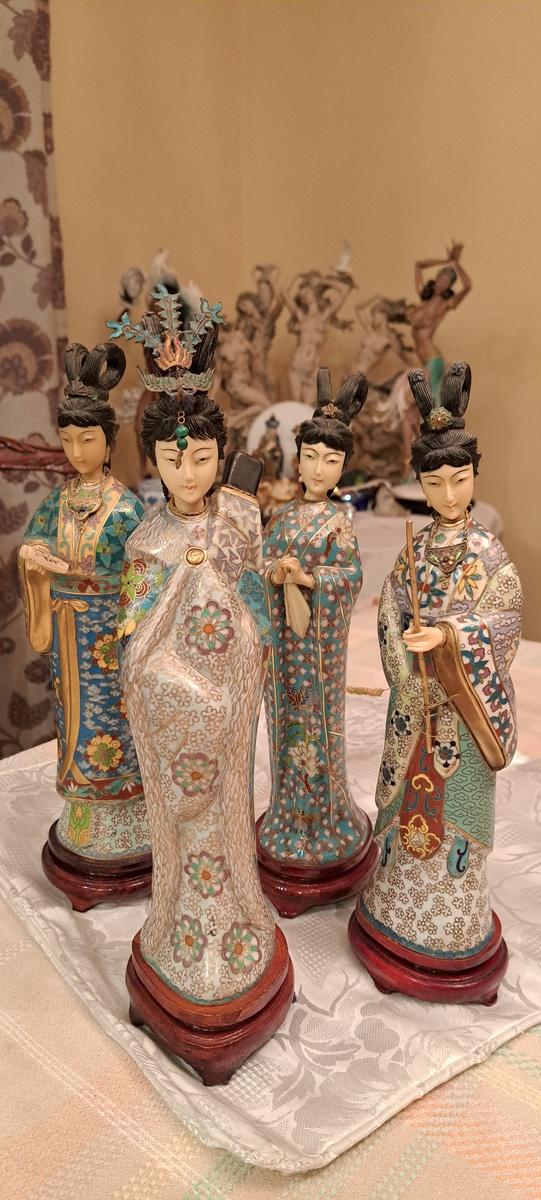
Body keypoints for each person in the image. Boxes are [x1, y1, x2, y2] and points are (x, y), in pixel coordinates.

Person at [117, 322, 280, 1005]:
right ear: (153, 459)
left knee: (228, 809)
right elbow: (133, 645)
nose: (189, 474)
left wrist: (242, 664)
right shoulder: (146, 541)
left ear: (221, 455)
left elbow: (258, 612)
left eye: (204, 458)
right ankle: (181, 927)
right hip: (176, 712)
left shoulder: (241, 520)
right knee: (186, 822)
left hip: (232, 703)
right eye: (172, 459)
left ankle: (238, 919)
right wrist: (178, 691)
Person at [352, 363, 521, 999]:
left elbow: (505, 619)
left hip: (461, 710)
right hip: (415, 705)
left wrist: (449, 637)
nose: (448, 494)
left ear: (474, 474)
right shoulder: (415, 548)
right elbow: (392, 606)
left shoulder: (488, 554)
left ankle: (452, 925)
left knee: (455, 815)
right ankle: (395, 906)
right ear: (419, 483)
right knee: (406, 809)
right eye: (433, 482)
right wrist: (402, 639)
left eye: (459, 478)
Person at [18, 343, 148, 879]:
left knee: (116, 723)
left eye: (87, 439)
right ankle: (81, 814)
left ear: (110, 441)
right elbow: (33, 543)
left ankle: (127, 813)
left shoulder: (127, 507)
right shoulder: (57, 502)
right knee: (72, 720)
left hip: (110, 640)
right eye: (67, 439)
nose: (76, 450)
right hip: (68, 635)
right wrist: (33, 559)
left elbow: (144, 577)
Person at [257, 369, 377, 913]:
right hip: (284, 652)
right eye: (311, 457)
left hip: (319, 654)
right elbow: (258, 566)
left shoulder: (338, 523)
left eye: (331, 460)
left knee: (320, 730)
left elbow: (350, 578)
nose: (319, 468)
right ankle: (286, 815)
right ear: (297, 458)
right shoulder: (281, 517)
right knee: (284, 726)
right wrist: (273, 571)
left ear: (342, 466)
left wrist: (309, 579)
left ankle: (327, 820)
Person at [409, 243, 471, 398]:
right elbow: (419, 265)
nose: (440, 284)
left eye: (445, 283)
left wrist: (456, 265)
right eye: (439, 280)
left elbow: (467, 286)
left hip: (432, 360)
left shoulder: (446, 304)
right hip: (422, 360)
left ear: (448, 287)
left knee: (431, 400)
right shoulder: (424, 297)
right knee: (415, 398)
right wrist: (445, 261)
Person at [284, 271, 353, 406]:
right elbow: (284, 293)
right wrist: (296, 276)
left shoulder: (324, 316)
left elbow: (344, 290)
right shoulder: (301, 316)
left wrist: (321, 281)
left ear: (315, 292)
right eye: (301, 293)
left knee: (308, 407)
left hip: (313, 369)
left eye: (307, 291)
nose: (303, 295)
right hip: (297, 366)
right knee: (296, 406)